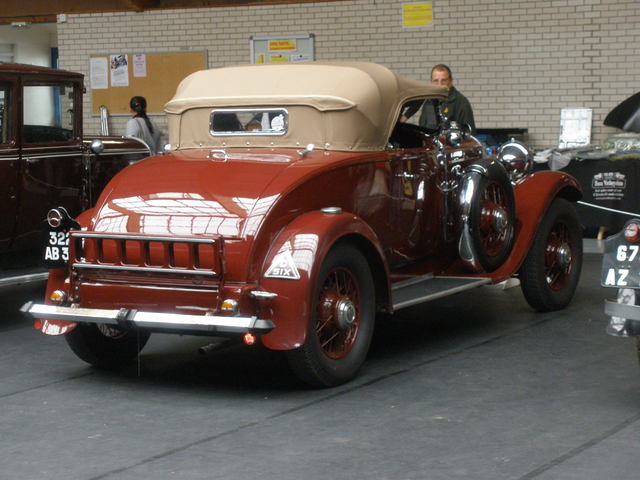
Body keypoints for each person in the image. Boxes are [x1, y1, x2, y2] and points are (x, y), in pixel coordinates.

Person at [423, 64, 476, 132]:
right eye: (436, 81)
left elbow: (469, 135)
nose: (440, 85)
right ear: (431, 82)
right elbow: (425, 129)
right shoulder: (429, 102)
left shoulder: (461, 103)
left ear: (451, 81)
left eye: (444, 80)